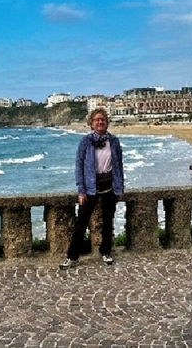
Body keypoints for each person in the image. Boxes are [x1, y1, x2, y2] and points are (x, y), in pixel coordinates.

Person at [60, 108, 125, 269]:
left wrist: (120, 187)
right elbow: (79, 166)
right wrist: (81, 190)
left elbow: (119, 165)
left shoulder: (114, 141)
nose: (100, 122)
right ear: (91, 123)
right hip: (90, 187)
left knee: (108, 221)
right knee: (81, 221)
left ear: (107, 122)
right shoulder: (85, 141)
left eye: (102, 119)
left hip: (109, 185)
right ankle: (72, 256)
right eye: (96, 120)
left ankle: (106, 252)